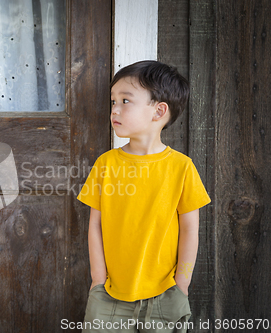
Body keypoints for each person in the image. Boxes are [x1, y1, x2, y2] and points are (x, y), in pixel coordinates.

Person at [76, 60, 211, 333]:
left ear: (159, 111)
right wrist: (98, 279)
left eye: (125, 100)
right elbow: (95, 225)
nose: (114, 108)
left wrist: (181, 284)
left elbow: (190, 229)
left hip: (166, 295)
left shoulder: (182, 167)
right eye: (113, 101)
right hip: (109, 296)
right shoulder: (106, 164)